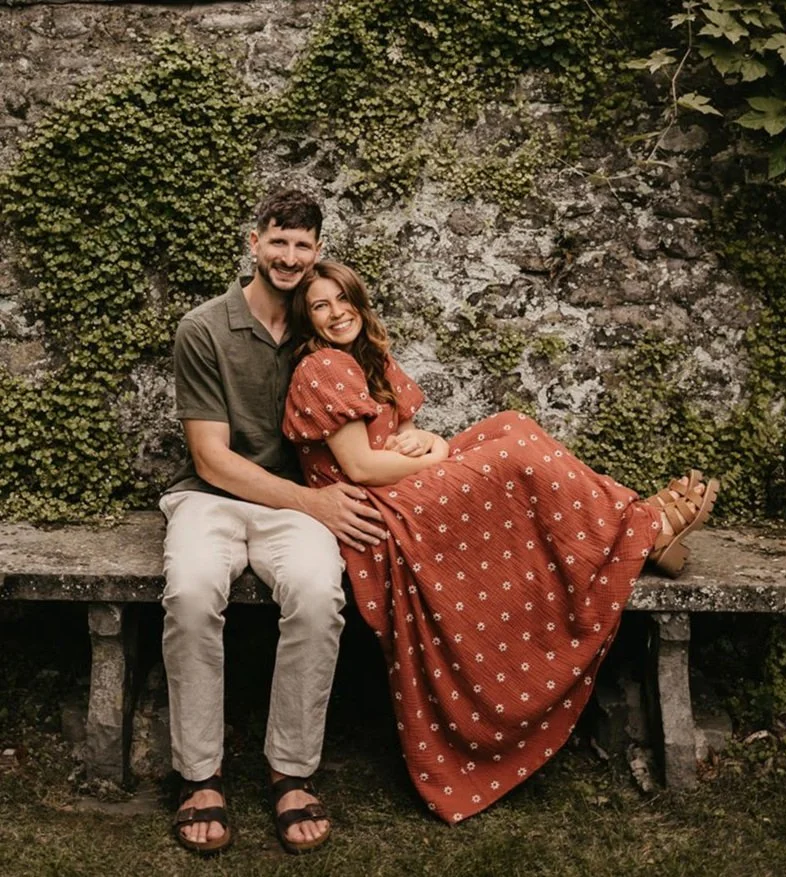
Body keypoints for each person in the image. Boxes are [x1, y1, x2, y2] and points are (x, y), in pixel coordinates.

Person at [282, 260, 719, 824]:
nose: (337, 312)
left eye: (343, 299)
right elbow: (361, 467)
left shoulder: (366, 357)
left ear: (358, 301)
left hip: (401, 484)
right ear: (307, 318)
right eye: (321, 306)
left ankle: (635, 521)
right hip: (375, 511)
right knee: (514, 458)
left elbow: (401, 434)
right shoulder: (321, 366)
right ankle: (645, 525)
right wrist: (440, 457)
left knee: (511, 426)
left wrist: (428, 441)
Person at [160, 191, 387, 855]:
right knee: (191, 592)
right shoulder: (204, 327)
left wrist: (418, 441)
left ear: (318, 251)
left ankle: (291, 770)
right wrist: (314, 504)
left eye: (302, 245)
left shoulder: (322, 325)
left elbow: (375, 406)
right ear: (253, 242)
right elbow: (211, 457)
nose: (290, 256)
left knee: (318, 594)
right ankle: (199, 776)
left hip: (297, 504)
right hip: (211, 497)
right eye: (278, 241)